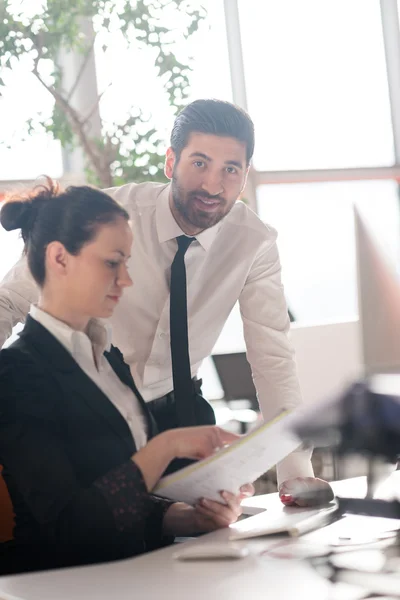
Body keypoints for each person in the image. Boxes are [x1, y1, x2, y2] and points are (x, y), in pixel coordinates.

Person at [0, 99, 332, 506]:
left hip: (183, 415)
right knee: (102, 540)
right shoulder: (110, 217)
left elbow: (273, 357)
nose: (213, 185)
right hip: (93, 416)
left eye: (230, 169)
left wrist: (295, 471)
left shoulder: (255, 243)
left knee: (206, 537)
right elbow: (8, 302)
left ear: (245, 176)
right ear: (171, 161)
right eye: (199, 163)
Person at [0, 181, 248, 574]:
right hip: (62, 585)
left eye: (127, 263)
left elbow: (117, 498)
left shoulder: (108, 359)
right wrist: (164, 446)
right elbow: (69, 526)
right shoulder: (17, 373)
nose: (126, 280)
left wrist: (189, 517)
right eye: (112, 263)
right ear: (60, 259)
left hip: (135, 574)